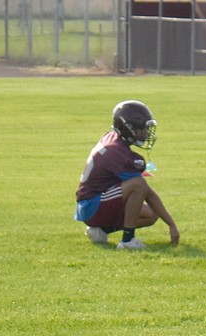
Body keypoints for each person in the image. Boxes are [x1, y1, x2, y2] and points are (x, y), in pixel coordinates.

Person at [74, 100, 180, 250]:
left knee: (150, 215)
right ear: (127, 128)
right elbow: (143, 189)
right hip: (92, 205)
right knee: (138, 184)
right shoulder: (120, 154)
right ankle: (127, 241)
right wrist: (171, 224)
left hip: (94, 201)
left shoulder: (112, 138)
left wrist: (170, 222)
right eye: (141, 128)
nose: (145, 133)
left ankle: (101, 231)